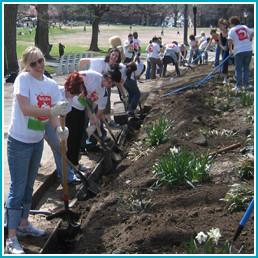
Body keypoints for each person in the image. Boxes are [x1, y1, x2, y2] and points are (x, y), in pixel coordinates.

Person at [5, 46, 69, 254]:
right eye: (33, 63)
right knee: (18, 187)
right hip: (19, 141)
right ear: (26, 65)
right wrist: (51, 110)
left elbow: (53, 115)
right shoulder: (23, 80)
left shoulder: (50, 84)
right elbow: (26, 108)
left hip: (36, 140)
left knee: (29, 185)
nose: (39, 66)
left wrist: (59, 129)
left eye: (40, 60)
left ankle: (24, 224)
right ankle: (11, 237)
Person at [64, 69, 122, 169]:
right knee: (71, 138)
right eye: (109, 81)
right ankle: (68, 167)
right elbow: (74, 78)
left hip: (81, 110)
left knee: (78, 137)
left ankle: (75, 164)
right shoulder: (92, 76)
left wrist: (94, 123)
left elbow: (99, 111)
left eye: (112, 85)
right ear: (106, 76)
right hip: (70, 106)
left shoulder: (103, 93)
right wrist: (91, 114)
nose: (109, 85)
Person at [228, 16, 254, 92]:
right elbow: (252, 32)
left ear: (232, 23)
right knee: (246, 68)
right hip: (248, 50)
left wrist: (230, 50)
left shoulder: (232, 30)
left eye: (230, 24)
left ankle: (238, 86)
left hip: (239, 51)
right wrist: (249, 40)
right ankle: (246, 85)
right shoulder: (244, 27)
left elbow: (229, 41)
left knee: (238, 69)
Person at [218, 18, 230, 84]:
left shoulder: (230, 32)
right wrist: (223, 47)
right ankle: (225, 78)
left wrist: (228, 47)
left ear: (225, 25)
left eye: (221, 25)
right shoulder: (220, 34)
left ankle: (237, 76)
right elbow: (219, 43)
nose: (220, 27)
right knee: (224, 64)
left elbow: (231, 41)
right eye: (219, 25)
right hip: (224, 50)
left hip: (231, 50)